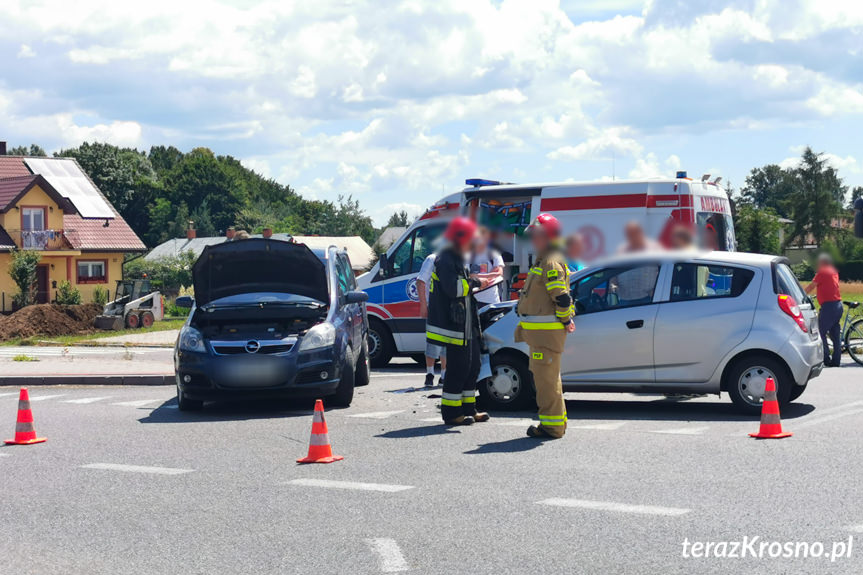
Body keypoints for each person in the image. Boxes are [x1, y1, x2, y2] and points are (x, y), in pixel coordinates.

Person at [514, 213, 575, 439]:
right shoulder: (544, 258)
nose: (533, 239)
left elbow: (561, 298)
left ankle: (552, 427)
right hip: (541, 336)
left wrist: (566, 320)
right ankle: (556, 424)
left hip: (546, 337)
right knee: (548, 380)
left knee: (546, 382)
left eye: (537, 235)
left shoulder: (550, 260)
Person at [427, 217, 491, 425]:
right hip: (454, 327)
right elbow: (453, 289)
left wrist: (473, 283)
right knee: (458, 368)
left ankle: (468, 410)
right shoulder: (446, 259)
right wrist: (475, 282)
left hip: (465, 324)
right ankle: (452, 414)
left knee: (472, 366)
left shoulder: (457, 257)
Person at [805, 253, 843, 367]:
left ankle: (825, 358)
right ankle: (836, 361)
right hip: (838, 305)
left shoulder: (822, 272)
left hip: (829, 307)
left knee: (820, 332)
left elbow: (812, 286)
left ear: (822, 262)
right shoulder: (833, 271)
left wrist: (801, 295)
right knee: (835, 334)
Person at [417, 252, 446, 387]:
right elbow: (421, 281)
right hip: (433, 307)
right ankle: (430, 374)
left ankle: (444, 376)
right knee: (433, 342)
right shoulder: (432, 259)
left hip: (449, 308)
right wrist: (423, 305)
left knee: (447, 342)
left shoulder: (456, 258)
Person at [614, 221, 660, 305]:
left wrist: (657, 290)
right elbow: (612, 275)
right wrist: (613, 286)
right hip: (625, 299)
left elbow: (664, 270)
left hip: (648, 298)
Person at [469, 227, 505, 306]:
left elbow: (499, 273)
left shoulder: (493, 253)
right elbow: (467, 275)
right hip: (472, 301)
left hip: (492, 300)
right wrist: (489, 276)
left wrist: (480, 278)